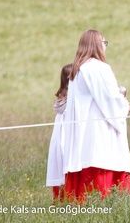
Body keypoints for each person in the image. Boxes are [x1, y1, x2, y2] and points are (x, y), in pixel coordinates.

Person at [62, 30, 130, 202]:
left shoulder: (78, 70)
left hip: (84, 134)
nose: (105, 46)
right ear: (96, 45)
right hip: (100, 132)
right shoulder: (98, 68)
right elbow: (109, 99)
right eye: (104, 43)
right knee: (103, 177)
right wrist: (124, 104)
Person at [46, 63, 72, 202]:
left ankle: (61, 199)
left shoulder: (65, 97)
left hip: (62, 135)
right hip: (65, 135)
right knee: (64, 163)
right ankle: (64, 198)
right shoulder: (68, 99)